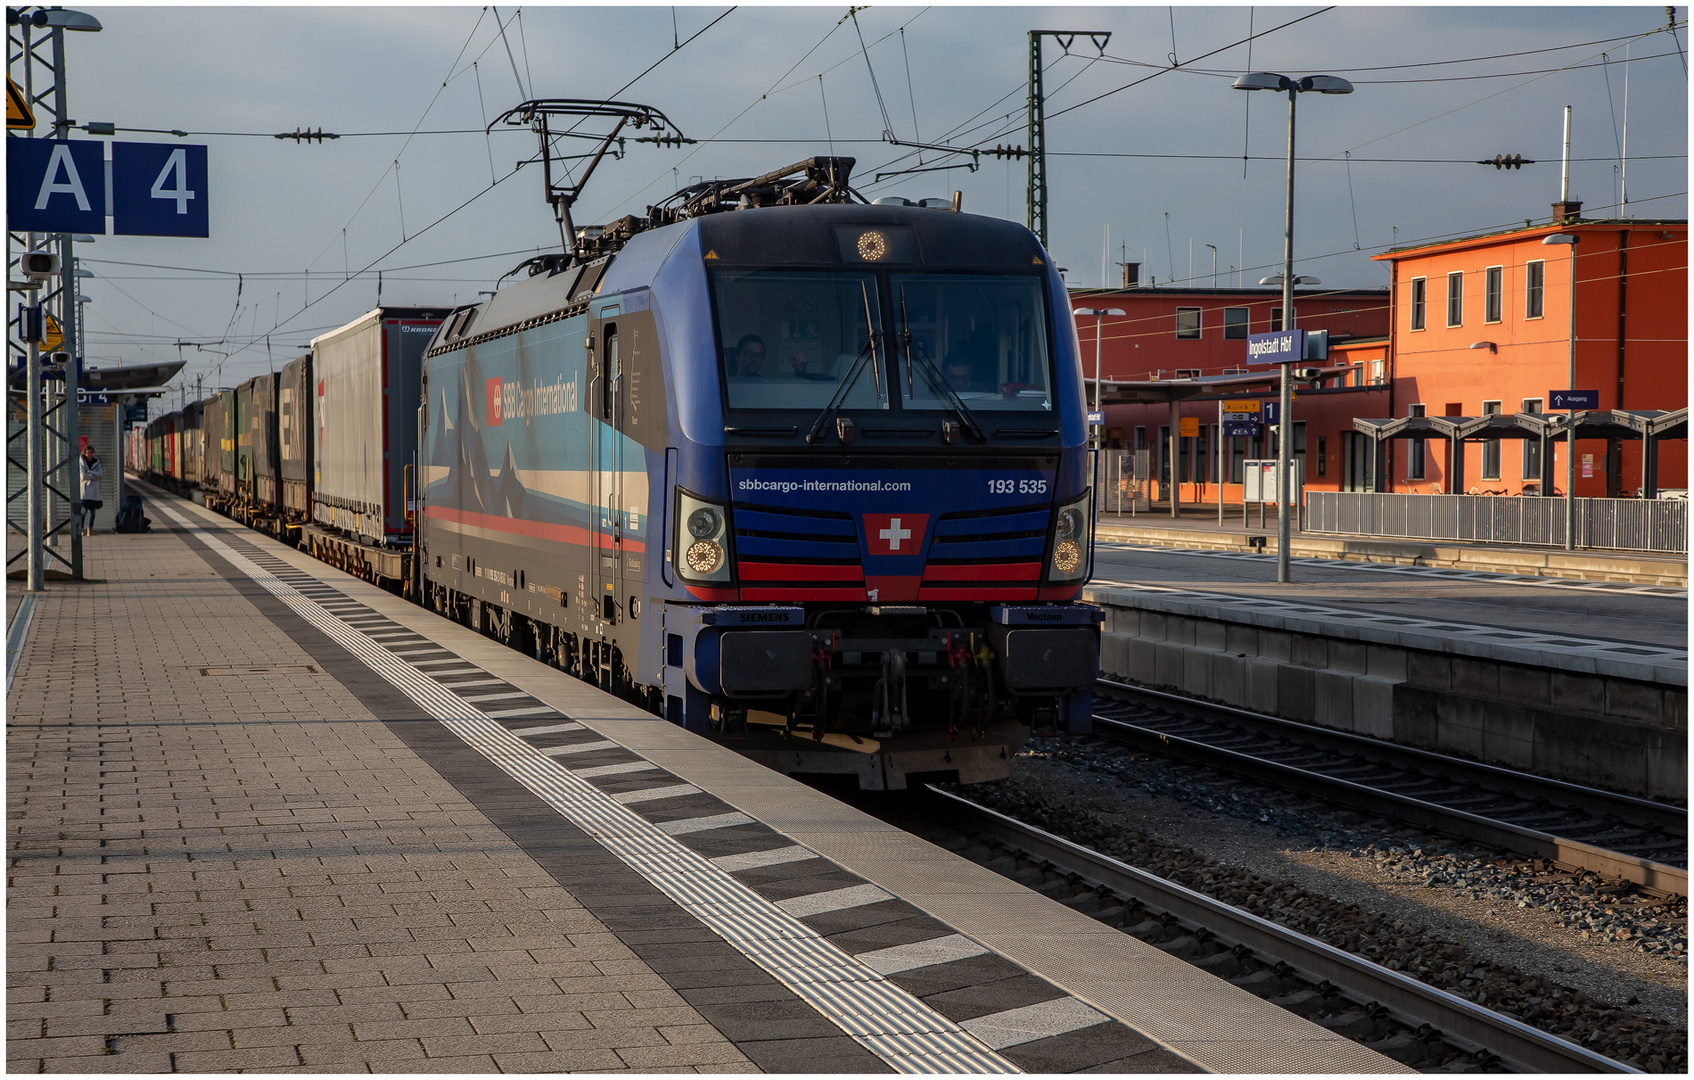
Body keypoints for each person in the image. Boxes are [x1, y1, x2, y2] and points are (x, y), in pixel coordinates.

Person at [78, 442, 103, 535]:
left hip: (94, 491)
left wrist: (90, 473)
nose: (90, 454)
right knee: (83, 511)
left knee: (93, 512)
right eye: (88, 452)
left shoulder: (97, 463)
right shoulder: (81, 463)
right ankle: (81, 529)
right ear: (84, 453)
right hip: (85, 490)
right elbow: (83, 476)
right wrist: (93, 475)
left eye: (91, 452)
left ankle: (90, 530)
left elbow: (101, 474)